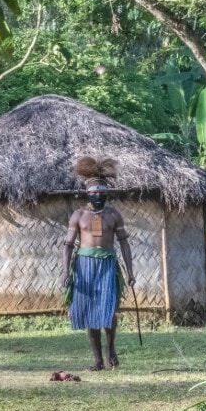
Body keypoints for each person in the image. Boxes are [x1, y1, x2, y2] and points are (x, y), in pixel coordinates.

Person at [61, 156, 135, 371]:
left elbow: (124, 244)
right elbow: (67, 245)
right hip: (83, 266)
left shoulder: (113, 215)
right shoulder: (79, 215)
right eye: (94, 192)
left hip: (107, 266)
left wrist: (129, 271)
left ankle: (110, 349)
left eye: (102, 192)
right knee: (89, 312)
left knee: (109, 309)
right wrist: (66, 272)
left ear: (107, 193)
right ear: (87, 193)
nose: (98, 195)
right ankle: (98, 360)